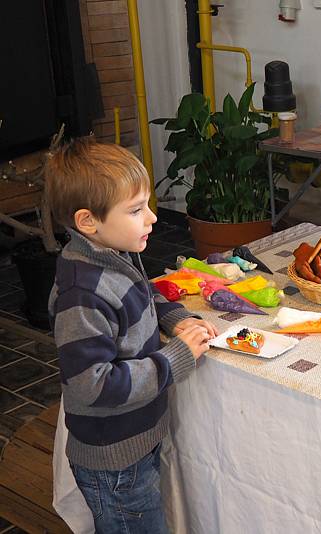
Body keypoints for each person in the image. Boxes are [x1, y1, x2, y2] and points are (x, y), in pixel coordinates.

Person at [45, 138, 219, 534]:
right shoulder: (82, 295)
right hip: (114, 462)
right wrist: (176, 357)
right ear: (88, 221)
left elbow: (146, 292)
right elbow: (92, 386)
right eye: (137, 210)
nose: (153, 218)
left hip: (136, 442)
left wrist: (176, 320)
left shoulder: (115, 253)